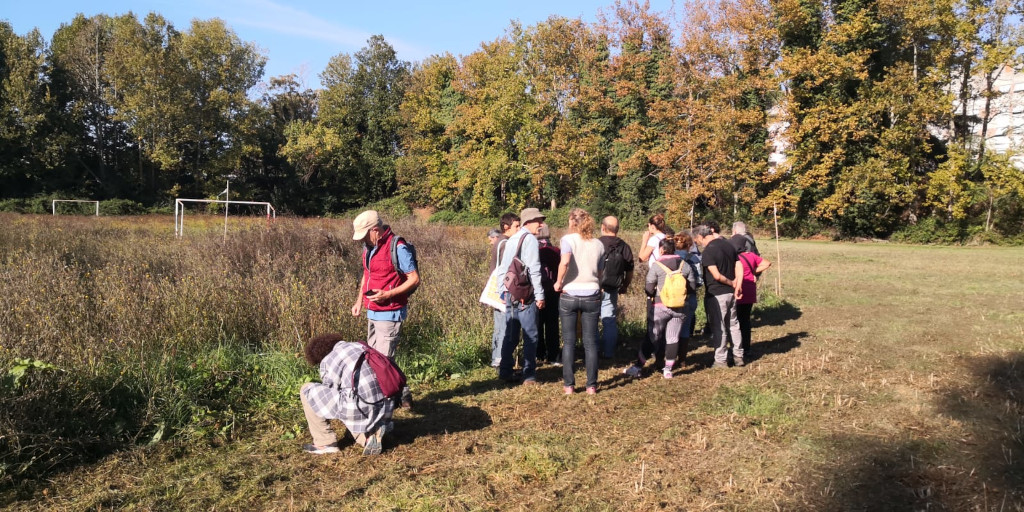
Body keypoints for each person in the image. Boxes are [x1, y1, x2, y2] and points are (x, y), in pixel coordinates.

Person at [350, 210, 419, 407]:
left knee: (383, 360)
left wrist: (388, 295)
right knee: (377, 358)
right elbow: (367, 275)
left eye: (364, 235)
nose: (362, 240)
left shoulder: (398, 247)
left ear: (375, 230)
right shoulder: (368, 248)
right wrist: (358, 302)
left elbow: (414, 279)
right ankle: (402, 392)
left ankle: (385, 402)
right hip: (372, 310)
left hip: (390, 311)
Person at [299, 333, 396, 456]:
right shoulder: (359, 346)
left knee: (307, 389)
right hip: (385, 403)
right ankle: (368, 437)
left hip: (362, 404)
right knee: (349, 397)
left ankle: (325, 442)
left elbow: (330, 394)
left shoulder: (329, 359)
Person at [627, 237, 699, 379]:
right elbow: (692, 286)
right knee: (673, 338)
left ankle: (638, 366)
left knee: (653, 337)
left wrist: (655, 294)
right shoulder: (684, 265)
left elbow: (648, 287)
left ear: (661, 249)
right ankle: (668, 370)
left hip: (660, 306)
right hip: (680, 307)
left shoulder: (657, 265)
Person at [554, 208, 604, 394]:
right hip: (591, 293)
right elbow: (600, 272)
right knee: (590, 343)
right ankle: (591, 385)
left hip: (570, 293)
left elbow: (565, 262)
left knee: (569, 342)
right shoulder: (598, 244)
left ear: (571, 222)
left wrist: (558, 282)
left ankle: (569, 385)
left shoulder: (567, 240)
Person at [495, 208, 547, 385]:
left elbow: (503, 268)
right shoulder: (530, 239)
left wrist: (501, 290)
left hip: (511, 293)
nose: (541, 225)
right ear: (528, 223)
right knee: (531, 334)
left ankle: (505, 371)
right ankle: (529, 375)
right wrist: (540, 294)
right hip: (526, 294)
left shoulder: (512, 239)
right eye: (538, 221)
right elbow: (534, 269)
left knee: (511, 334)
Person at [693, 220, 745, 368]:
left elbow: (716, 275)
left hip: (716, 293)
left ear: (702, 237)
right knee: (734, 325)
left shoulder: (708, 251)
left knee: (719, 326)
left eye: (697, 241)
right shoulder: (728, 244)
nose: (698, 244)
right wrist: (738, 285)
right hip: (731, 294)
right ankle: (738, 356)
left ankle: (721, 360)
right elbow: (738, 264)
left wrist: (731, 283)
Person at [598, 216, 634, 359]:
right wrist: (624, 285)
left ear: (603, 227)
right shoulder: (624, 246)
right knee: (609, 320)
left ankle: (592, 352)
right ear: (617, 229)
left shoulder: (596, 244)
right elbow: (630, 270)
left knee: (592, 320)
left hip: (594, 288)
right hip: (612, 287)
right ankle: (609, 353)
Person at [488, 213, 520, 368]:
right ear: (506, 227)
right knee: (504, 326)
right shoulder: (506, 243)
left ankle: (496, 357)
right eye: (516, 226)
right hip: (502, 289)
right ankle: (500, 358)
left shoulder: (499, 241)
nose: (519, 229)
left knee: (499, 324)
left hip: (497, 288)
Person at [637, 214, 669, 366]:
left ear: (651, 226)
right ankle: (661, 355)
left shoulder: (654, 239)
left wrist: (644, 240)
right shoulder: (667, 237)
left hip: (656, 280)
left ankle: (649, 351)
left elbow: (642, 257)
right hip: (667, 279)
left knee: (654, 316)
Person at [731, 236, 771, 355]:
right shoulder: (751, 256)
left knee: (736, 321)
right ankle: (747, 347)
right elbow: (767, 263)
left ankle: (738, 347)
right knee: (746, 320)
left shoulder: (735, 258)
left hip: (739, 290)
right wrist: (754, 271)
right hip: (750, 291)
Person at [536, 223, 561, 365]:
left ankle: (539, 354)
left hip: (537, 290)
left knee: (537, 323)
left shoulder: (533, 249)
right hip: (553, 290)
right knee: (552, 324)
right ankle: (553, 356)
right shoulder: (556, 250)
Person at [675, 231, 703, 339]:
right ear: (690, 245)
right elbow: (699, 281)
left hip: (671, 296)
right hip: (689, 296)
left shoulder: (669, 256)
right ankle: (683, 353)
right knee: (685, 329)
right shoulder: (694, 259)